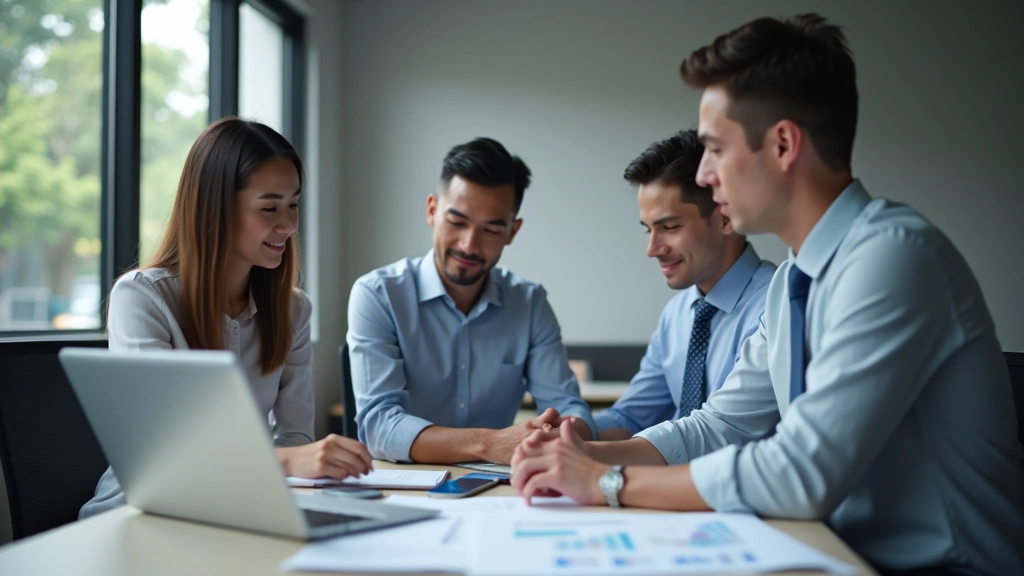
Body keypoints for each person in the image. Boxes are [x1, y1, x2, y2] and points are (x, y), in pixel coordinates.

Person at [510, 14, 1024, 575]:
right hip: (840, 557)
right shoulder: (791, 284)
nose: (704, 176)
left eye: (714, 148)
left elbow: (802, 472)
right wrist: (583, 454)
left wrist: (606, 481)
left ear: (782, 144)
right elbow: (719, 426)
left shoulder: (893, 258)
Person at [80, 117, 372, 518]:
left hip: (237, 508)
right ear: (214, 209)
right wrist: (288, 463)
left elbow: (294, 435)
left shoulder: (293, 309)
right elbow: (163, 458)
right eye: (269, 207)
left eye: (293, 205)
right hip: (138, 515)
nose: (288, 224)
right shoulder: (141, 297)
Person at [347, 137, 596, 465]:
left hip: (497, 489)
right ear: (432, 211)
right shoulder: (378, 295)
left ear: (512, 231)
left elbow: (568, 405)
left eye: (491, 230)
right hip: (405, 486)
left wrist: (564, 429)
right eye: (457, 222)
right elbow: (379, 427)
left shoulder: (530, 303)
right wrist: (491, 443)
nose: (468, 245)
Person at [594, 129, 775, 441]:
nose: (652, 249)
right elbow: (632, 417)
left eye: (670, 227)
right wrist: (566, 432)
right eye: (648, 230)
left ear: (725, 218)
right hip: (671, 484)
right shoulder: (677, 314)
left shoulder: (775, 306)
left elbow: (718, 433)